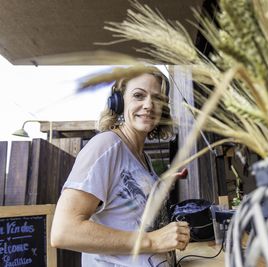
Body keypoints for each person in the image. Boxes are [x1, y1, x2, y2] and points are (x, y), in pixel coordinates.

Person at [51, 68, 190, 267]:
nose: (149, 105)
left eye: (157, 99)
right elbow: (64, 231)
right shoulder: (105, 146)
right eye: (138, 95)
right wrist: (152, 241)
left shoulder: (143, 158)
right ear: (119, 102)